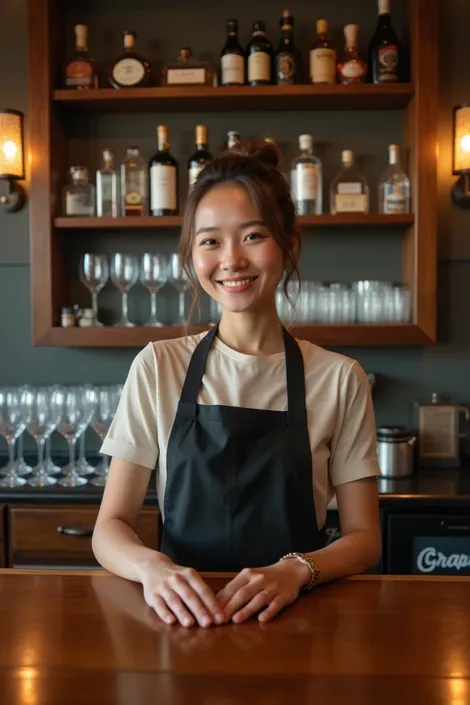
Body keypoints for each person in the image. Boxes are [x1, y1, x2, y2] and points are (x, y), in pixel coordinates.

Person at [92, 140, 381, 629]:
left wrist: (296, 571)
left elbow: (364, 538)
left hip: (294, 615)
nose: (231, 259)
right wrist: (152, 569)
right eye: (209, 241)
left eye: (252, 236)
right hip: (181, 616)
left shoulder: (339, 377)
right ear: (192, 255)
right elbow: (110, 527)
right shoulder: (158, 366)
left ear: (289, 243)